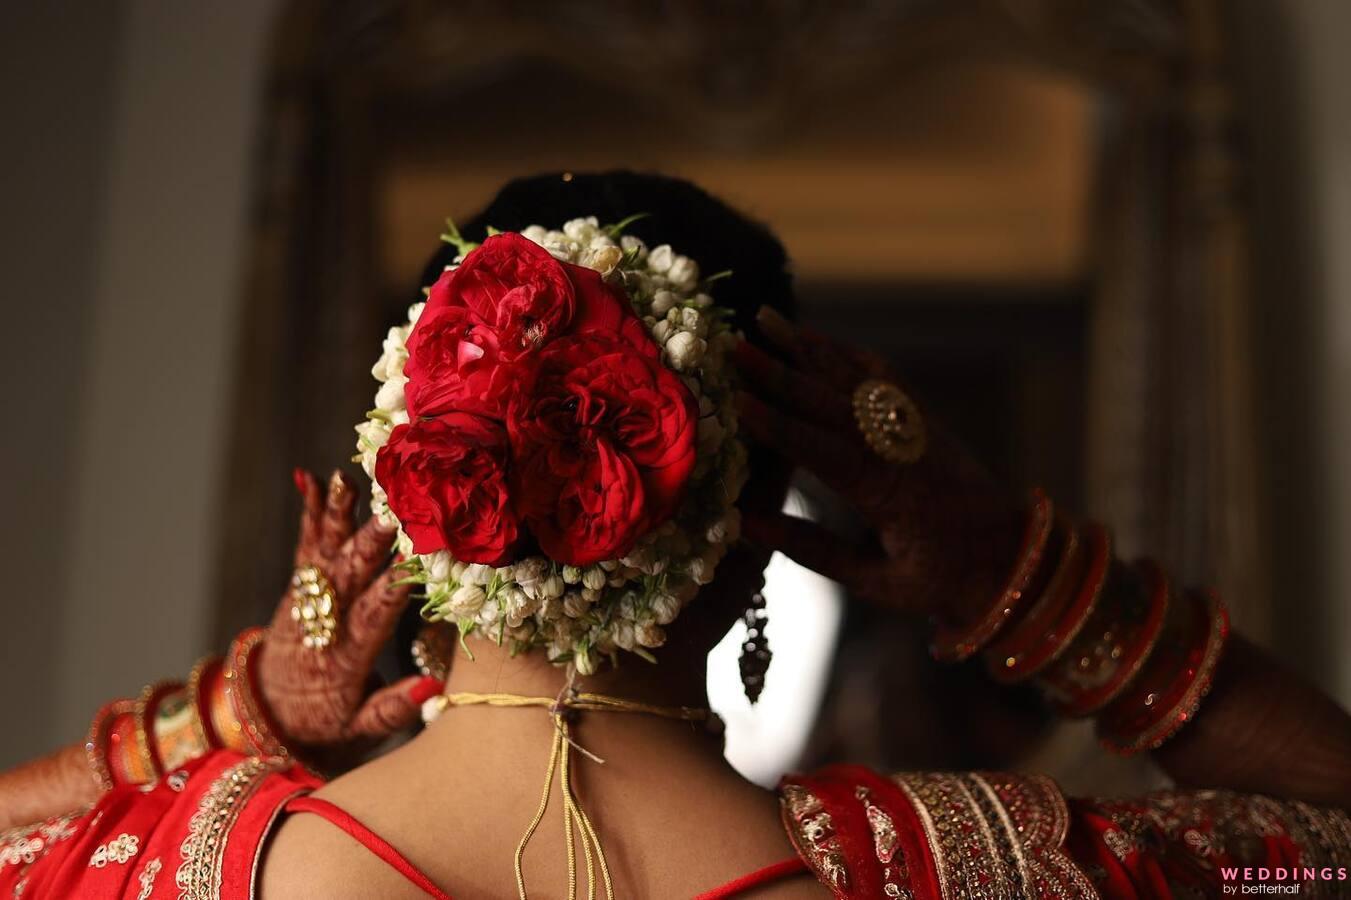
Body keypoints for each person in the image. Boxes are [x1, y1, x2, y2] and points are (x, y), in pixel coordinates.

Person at [0, 172, 1348, 899]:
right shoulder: (976, 870)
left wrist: (240, 712)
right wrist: (1022, 576)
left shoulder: (159, 869)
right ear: (758, 532)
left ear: (420, 493)